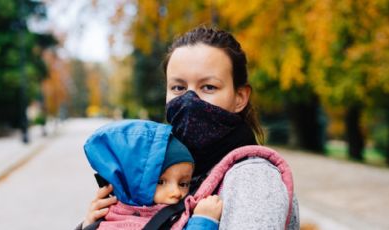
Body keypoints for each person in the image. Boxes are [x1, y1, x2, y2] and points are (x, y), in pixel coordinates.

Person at [81, 26, 299, 229]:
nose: (189, 100)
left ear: (239, 97)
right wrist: (101, 223)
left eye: (208, 87)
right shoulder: (170, 169)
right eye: (178, 87)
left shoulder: (253, 179)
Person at [78, 120, 222, 230]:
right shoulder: (118, 224)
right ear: (131, 183)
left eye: (183, 184)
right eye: (160, 182)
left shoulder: (176, 212)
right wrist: (203, 221)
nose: (176, 192)